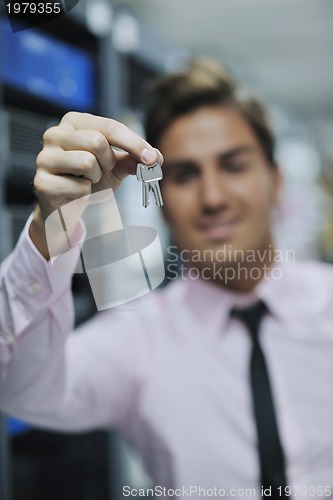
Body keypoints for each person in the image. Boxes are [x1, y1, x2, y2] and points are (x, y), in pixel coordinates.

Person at [1, 58, 333, 498]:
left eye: (233, 165)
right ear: (160, 198)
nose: (212, 197)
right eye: (184, 175)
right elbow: (22, 391)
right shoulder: (137, 339)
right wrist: (51, 229)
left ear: (275, 180)